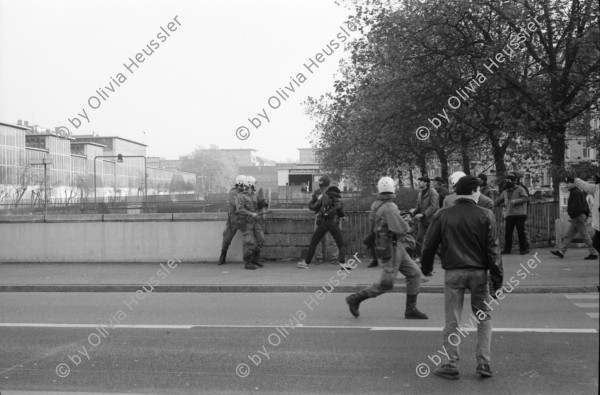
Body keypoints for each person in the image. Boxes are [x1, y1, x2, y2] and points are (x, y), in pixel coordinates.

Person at [421, 175, 503, 379]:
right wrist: (497, 279)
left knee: (452, 319)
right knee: (483, 317)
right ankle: (484, 363)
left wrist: (427, 267)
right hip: (479, 273)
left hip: (453, 272)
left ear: (457, 192)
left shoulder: (443, 214)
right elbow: (493, 249)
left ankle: (451, 364)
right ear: (475, 192)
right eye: (479, 191)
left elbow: (428, 244)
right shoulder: (485, 214)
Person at [345, 177, 428, 319]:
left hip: (392, 246)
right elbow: (401, 228)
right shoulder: (389, 207)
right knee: (386, 283)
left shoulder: (377, 204)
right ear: (392, 189)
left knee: (414, 274)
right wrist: (407, 223)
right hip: (391, 248)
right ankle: (356, 298)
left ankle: (411, 309)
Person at [298, 185, 351, 270]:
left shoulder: (323, 197)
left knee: (314, 243)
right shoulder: (339, 200)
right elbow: (341, 213)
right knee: (341, 244)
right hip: (334, 223)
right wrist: (342, 215)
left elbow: (313, 207)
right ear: (337, 192)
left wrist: (312, 200)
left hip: (323, 223)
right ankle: (343, 263)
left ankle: (306, 263)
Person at [551, 176, 598, 260]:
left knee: (585, 235)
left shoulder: (576, 192)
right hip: (577, 217)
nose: (567, 185)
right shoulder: (575, 192)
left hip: (578, 217)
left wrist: (574, 215)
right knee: (569, 235)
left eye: (568, 183)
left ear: (573, 184)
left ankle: (593, 252)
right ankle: (561, 251)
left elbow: (577, 207)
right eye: (566, 183)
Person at [236, 176, 268, 270]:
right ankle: (248, 262)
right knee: (249, 242)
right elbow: (240, 209)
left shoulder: (254, 195)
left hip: (255, 221)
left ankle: (255, 259)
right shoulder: (241, 196)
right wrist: (251, 213)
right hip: (246, 222)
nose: (255, 185)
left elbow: (258, 205)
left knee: (261, 239)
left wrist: (263, 203)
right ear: (250, 184)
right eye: (254, 183)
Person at [495, 174, 530, 255]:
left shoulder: (520, 189)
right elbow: (499, 200)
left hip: (520, 214)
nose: (508, 182)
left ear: (514, 181)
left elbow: (526, 198)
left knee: (521, 232)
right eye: (507, 181)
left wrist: (515, 201)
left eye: (509, 181)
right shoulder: (505, 191)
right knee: (508, 233)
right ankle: (507, 249)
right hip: (509, 214)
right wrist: (492, 204)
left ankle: (523, 249)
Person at [308, 176, 339, 265]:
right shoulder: (317, 193)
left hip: (330, 217)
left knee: (333, 239)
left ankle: (334, 257)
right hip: (320, 217)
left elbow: (338, 204)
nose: (323, 189)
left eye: (324, 187)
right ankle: (319, 257)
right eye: (322, 187)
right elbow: (311, 205)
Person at [218, 175, 245, 265]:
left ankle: (253, 258)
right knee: (227, 237)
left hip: (245, 216)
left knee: (251, 235)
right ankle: (222, 255)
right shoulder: (233, 192)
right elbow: (237, 204)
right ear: (240, 183)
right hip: (234, 217)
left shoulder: (245, 192)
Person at [412, 176, 439, 262]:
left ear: (426, 183)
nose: (419, 183)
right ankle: (419, 257)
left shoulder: (433, 192)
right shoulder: (420, 193)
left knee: (433, 239)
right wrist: (413, 212)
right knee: (419, 238)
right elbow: (418, 206)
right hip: (423, 220)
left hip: (432, 219)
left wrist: (423, 214)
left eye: (421, 181)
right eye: (419, 181)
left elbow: (433, 206)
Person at [574, 174, 600, 257]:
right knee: (596, 243)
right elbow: (586, 186)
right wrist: (575, 180)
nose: (595, 179)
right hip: (598, 223)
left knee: (596, 242)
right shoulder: (597, 188)